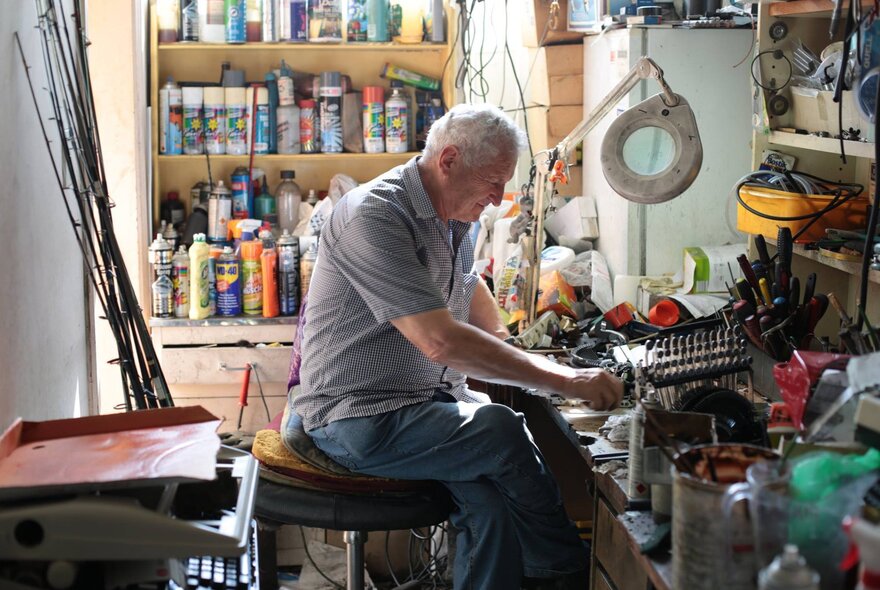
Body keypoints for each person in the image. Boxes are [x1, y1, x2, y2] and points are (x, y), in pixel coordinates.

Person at [287, 104, 623, 589]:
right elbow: (440, 340)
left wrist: (507, 340)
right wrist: (566, 379)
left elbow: (464, 283)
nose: (498, 196)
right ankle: (565, 570)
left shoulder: (451, 216)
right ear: (447, 160)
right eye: (492, 181)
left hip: (420, 403)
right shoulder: (376, 214)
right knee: (500, 429)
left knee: (489, 505)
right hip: (357, 416)